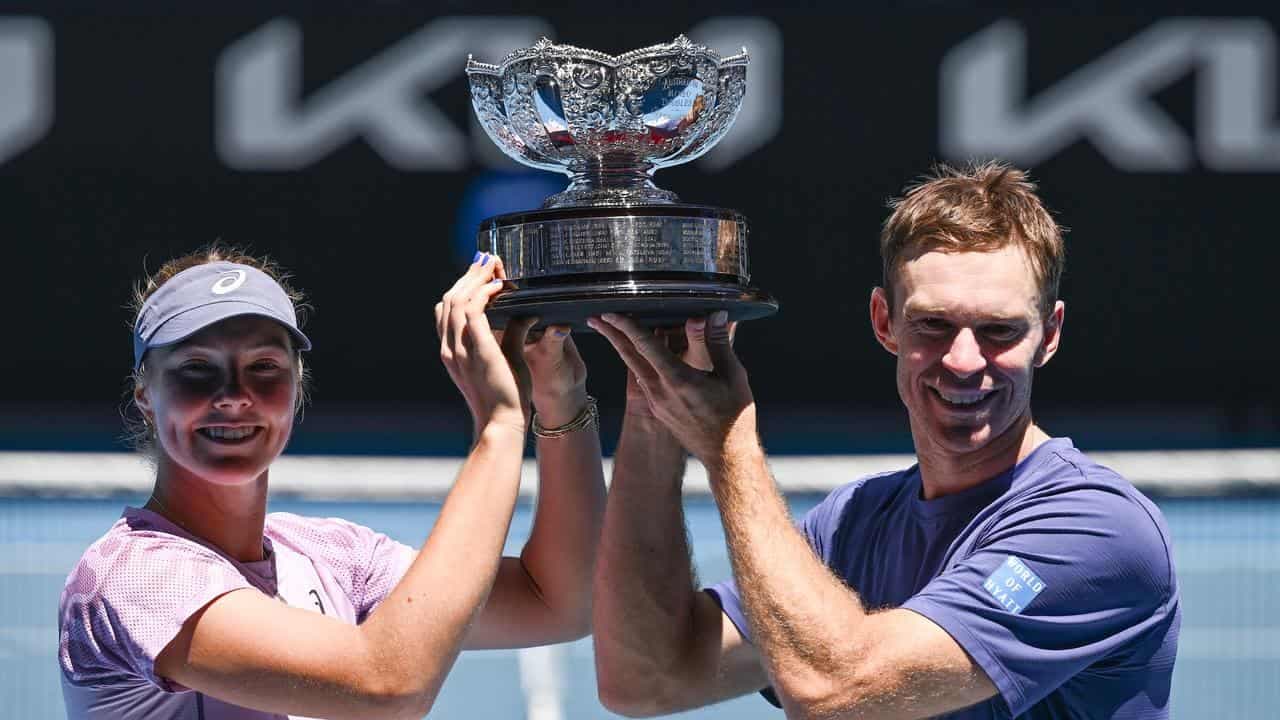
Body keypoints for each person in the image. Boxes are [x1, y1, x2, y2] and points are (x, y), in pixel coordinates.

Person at [588, 162, 1180, 719]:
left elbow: (836, 694)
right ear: (884, 322)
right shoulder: (852, 522)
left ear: (1049, 335)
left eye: (999, 330)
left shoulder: (1098, 529)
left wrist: (729, 445)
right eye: (934, 325)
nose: (965, 361)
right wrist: (652, 409)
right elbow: (645, 677)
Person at [58, 246, 605, 719]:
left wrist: (561, 400)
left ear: (297, 387)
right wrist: (499, 426)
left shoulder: (333, 556)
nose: (232, 393)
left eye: (264, 366)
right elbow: (389, 684)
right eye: (196, 367)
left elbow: (560, 602)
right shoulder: (135, 576)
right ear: (144, 396)